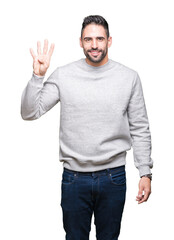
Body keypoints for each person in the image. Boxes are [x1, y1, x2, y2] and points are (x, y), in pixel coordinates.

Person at [21, 15, 153, 240]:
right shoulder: (64, 75)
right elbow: (30, 112)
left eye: (100, 39)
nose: (94, 45)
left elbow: (140, 127)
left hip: (114, 177)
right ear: (80, 42)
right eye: (88, 39)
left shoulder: (128, 77)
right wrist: (38, 76)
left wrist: (145, 172)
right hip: (74, 178)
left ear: (109, 41)